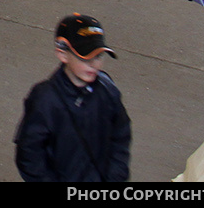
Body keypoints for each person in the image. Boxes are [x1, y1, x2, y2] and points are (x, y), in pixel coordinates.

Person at [15, 14, 132, 182]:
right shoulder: (45, 99)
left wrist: (116, 176)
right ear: (62, 54)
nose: (94, 64)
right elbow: (29, 155)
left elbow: (121, 133)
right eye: (84, 57)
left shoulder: (107, 90)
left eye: (98, 56)